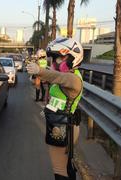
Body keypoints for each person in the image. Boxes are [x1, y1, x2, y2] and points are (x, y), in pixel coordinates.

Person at [27, 37, 84, 180]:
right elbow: (55, 78)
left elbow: (57, 77)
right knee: (66, 166)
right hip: (61, 125)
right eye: (55, 58)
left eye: (61, 57)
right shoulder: (68, 76)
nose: (56, 61)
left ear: (73, 58)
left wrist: (39, 71)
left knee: (59, 169)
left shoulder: (73, 79)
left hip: (63, 127)